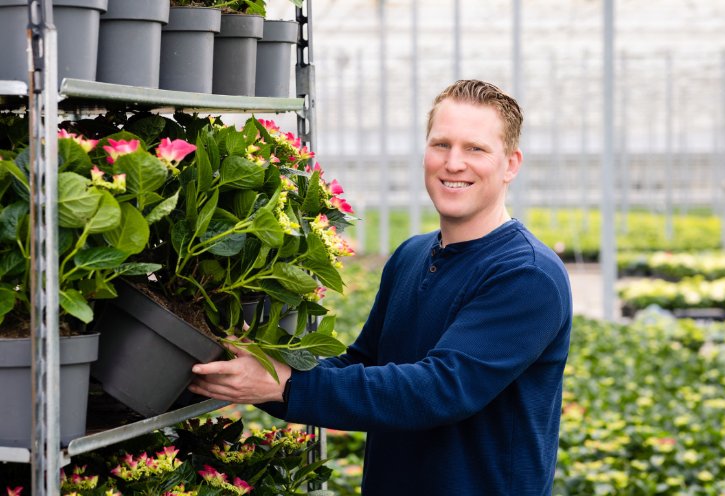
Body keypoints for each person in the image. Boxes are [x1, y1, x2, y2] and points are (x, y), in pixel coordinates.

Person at [190, 79, 573, 495]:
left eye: (475, 149)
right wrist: (256, 369)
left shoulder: (527, 275)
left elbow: (441, 389)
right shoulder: (412, 255)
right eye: (441, 144)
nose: (454, 163)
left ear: (511, 164)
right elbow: (363, 364)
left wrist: (285, 386)